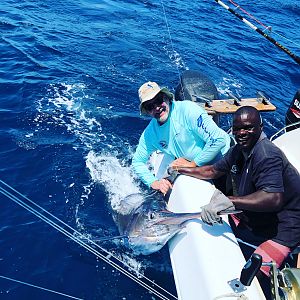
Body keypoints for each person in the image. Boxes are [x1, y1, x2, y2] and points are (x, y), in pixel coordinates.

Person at [171, 106, 300, 298]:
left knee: (256, 277)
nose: (241, 133)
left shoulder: (266, 155)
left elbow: (273, 198)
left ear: (260, 127)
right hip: (261, 219)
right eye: (237, 128)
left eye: (248, 128)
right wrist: (181, 170)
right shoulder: (238, 150)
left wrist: (230, 201)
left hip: (287, 226)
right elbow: (213, 171)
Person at [132, 81, 231, 195]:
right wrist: (153, 182)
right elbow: (137, 162)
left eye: (158, 101)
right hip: (198, 169)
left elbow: (218, 140)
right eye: (150, 106)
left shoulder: (187, 110)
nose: (157, 108)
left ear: (166, 97)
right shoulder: (150, 133)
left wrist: (192, 164)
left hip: (223, 162)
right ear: (147, 111)